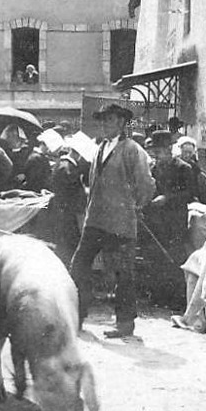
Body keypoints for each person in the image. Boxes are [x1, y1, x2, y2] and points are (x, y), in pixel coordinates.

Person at [70, 104, 156, 338]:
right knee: (78, 266)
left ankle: (125, 324)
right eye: (102, 121)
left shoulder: (131, 149)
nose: (104, 125)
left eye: (108, 120)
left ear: (120, 123)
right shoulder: (100, 148)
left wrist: (134, 205)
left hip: (120, 223)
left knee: (122, 273)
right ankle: (76, 315)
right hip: (95, 219)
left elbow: (147, 184)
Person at [144, 130, 194, 308]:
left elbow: (189, 194)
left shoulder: (183, 168)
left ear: (169, 149)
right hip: (156, 221)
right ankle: (158, 296)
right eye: (154, 153)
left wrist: (167, 198)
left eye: (158, 153)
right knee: (156, 257)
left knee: (174, 258)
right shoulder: (154, 169)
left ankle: (176, 299)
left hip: (175, 221)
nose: (156, 157)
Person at [49, 132, 93, 263]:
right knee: (68, 246)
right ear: (77, 153)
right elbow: (71, 193)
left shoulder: (63, 165)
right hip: (68, 214)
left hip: (64, 212)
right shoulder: (68, 168)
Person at [176, 136, 206, 203]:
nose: (187, 155)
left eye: (190, 152)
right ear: (180, 151)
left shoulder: (196, 169)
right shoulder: (174, 165)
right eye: (185, 152)